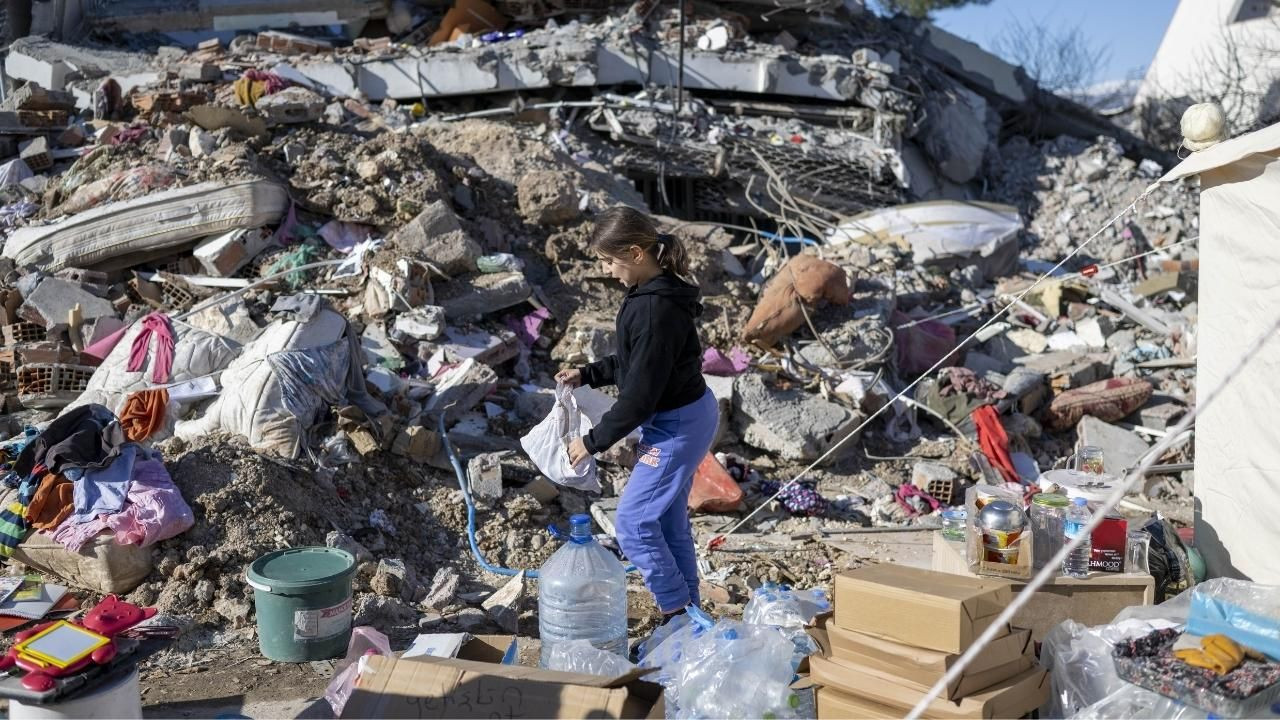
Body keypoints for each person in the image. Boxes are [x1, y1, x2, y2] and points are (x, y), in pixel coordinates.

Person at [556, 206, 716, 625]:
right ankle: (690, 613)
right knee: (664, 520)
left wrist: (590, 443)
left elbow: (640, 396)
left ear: (635, 253)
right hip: (684, 416)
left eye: (610, 261)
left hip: (677, 425)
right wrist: (588, 373)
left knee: (632, 524)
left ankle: (677, 611)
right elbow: (635, 363)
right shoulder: (647, 295)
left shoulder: (655, 308)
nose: (608, 271)